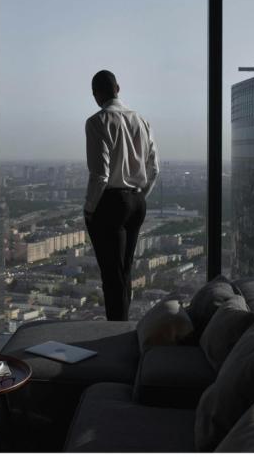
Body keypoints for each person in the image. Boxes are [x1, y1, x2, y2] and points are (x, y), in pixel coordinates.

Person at [84, 70, 159, 321]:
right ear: (118, 88)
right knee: (125, 271)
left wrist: (90, 208)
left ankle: (115, 331)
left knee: (111, 275)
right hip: (137, 202)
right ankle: (123, 328)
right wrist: (139, 196)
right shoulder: (142, 120)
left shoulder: (97, 122)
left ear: (96, 95)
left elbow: (101, 175)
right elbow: (154, 168)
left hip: (111, 204)